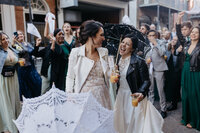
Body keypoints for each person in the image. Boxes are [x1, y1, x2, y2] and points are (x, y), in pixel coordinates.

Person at [114, 34, 164, 133]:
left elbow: (146, 81)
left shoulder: (139, 62)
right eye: (123, 42)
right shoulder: (117, 60)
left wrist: (141, 92)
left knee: (133, 124)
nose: (123, 45)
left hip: (133, 96)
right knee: (120, 122)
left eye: (127, 44)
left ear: (132, 49)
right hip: (120, 95)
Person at [65, 20, 112, 109]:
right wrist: (69, 94)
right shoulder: (76, 53)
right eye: (101, 35)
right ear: (91, 36)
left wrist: (113, 73)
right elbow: (70, 76)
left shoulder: (104, 52)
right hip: (83, 97)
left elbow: (107, 74)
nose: (104, 38)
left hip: (102, 96)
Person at [180, 26, 200, 130]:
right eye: (192, 32)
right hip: (185, 71)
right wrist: (178, 20)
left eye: (196, 32)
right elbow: (180, 36)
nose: (193, 34)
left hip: (196, 73)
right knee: (185, 95)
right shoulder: (186, 44)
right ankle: (186, 118)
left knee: (194, 96)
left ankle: (194, 120)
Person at [0, 32, 21, 133]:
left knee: (14, 100)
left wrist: (20, 62)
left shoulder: (12, 49)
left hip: (14, 78)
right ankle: (8, 127)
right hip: (4, 80)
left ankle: (16, 124)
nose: (6, 41)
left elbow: (22, 52)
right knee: (7, 102)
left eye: (6, 38)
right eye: (3, 39)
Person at [145, 30, 168, 118]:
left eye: (153, 35)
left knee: (160, 90)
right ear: (147, 37)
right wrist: (147, 60)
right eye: (150, 35)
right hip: (150, 70)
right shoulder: (147, 46)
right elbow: (145, 57)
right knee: (150, 90)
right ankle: (151, 108)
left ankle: (163, 109)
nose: (151, 37)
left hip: (159, 69)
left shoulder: (161, 43)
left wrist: (155, 44)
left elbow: (162, 53)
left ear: (156, 36)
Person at [12, 30, 41, 100]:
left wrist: (37, 45)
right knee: (26, 89)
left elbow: (33, 53)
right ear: (16, 36)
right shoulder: (16, 45)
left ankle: (35, 101)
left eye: (21, 34)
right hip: (23, 69)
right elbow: (18, 51)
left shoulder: (28, 44)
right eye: (18, 34)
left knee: (37, 83)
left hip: (31, 68)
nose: (20, 35)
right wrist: (14, 43)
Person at [164, 36, 181, 111]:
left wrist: (175, 50)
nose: (174, 41)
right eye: (173, 39)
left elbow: (177, 58)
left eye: (176, 40)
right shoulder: (168, 48)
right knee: (170, 86)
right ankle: (172, 101)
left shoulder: (179, 49)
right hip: (169, 70)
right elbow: (166, 58)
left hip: (176, 70)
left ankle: (174, 104)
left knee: (175, 87)